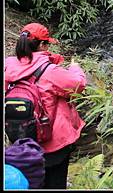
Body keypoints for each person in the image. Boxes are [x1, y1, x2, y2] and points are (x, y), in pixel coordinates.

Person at [4, 23, 87, 189]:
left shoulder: (8, 66)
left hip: (20, 138)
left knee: (32, 182)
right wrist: (75, 68)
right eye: (47, 43)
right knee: (55, 183)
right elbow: (78, 85)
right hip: (53, 143)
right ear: (42, 45)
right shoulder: (50, 71)